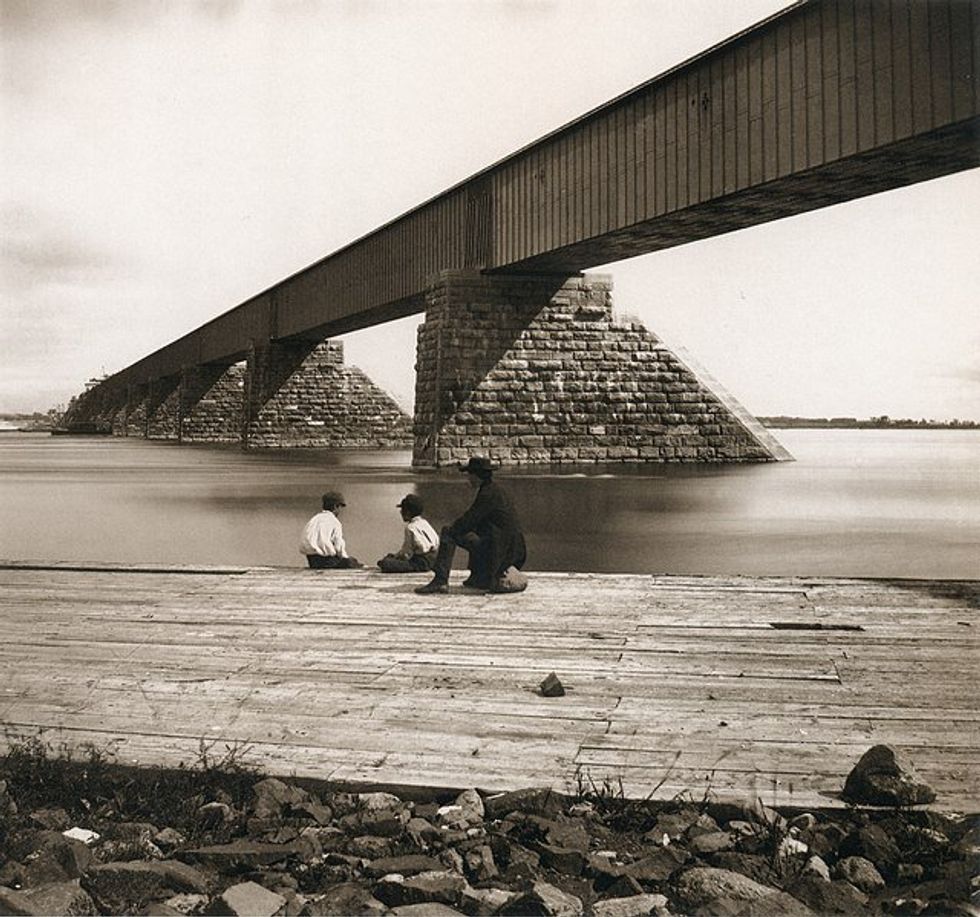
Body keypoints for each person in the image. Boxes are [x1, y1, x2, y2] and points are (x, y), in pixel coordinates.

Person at [415, 456, 527, 594]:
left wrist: (453, 528)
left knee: (449, 532)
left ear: (477, 476)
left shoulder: (487, 494)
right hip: (509, 550)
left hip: (499, 551)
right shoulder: (496, 491)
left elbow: (468, 521)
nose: (468, 478)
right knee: (474, 534)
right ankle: (478, 576)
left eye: (470, 474)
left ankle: (440, 580)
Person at [377, 494, 440, 573]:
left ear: (408, 512)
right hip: (433, 561)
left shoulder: (410, 527)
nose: (401, 512)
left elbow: (406, 554)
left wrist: (396, 558)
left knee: (385, 563)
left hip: (420, 563)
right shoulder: (424, 523)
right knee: (391, 557)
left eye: (402, 510)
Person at [300, 491, 361, 569]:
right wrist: (347, 559)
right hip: (328, 561)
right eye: (340, 507)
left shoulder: (313, 520)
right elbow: (339, 548)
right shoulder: (334, 522)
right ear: (335, 506)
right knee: (351, 561)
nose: (340, 511)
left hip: (312, 560)